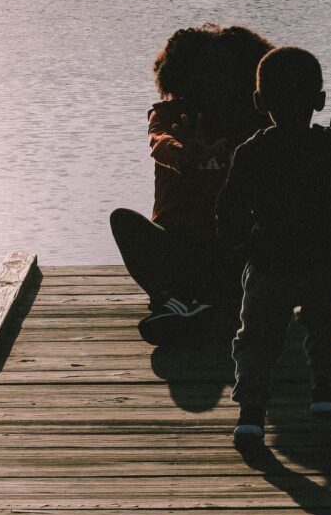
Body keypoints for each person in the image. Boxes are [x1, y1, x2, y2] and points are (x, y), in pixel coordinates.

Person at [217, 46, 331, 447]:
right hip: (326, 258)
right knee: (325, 325)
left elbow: (228, 213)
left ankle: (251, 414)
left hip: (269, 260)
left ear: (259, 102)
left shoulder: (250, 153)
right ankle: (324, 390)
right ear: (320, 100)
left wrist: (239, 249)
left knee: (257, 337)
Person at [109, 25, 273, 345]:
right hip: (180, 246)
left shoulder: (254, 119)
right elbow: (160, 142)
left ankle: (197, 307)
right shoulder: (168, 114)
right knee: (123, 220)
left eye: (223, 75)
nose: (213, 85)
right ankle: (180, 302)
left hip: (232, 247)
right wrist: (183, 155)